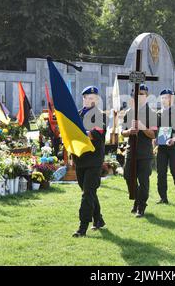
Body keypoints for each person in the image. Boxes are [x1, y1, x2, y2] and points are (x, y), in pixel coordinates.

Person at [72, 86, 106, 237]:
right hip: (80, 159)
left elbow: (95, 134)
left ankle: (82, 227)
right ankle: (98, 219)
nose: (92, 101)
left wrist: (81, 133)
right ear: (83, 98)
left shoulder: (99, 115)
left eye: (94, 98)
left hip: (94, 160)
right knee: (88, 192)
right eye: (89, 98)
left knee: (87, 193)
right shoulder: (76, 115)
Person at [122, 84, 158, 218]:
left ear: (147, 96)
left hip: (144, 153)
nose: (139, 96)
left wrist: (142, 127)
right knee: (127, 177)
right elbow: (122, 132)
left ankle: (141, 206)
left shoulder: (152, 114)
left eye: (142, 94)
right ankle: (137, 200)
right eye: (136, 94)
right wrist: (129, 131)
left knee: (143, 181)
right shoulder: (128, 112)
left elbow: (153, 134)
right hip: (131, 151)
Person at [156, 89, 175, 204]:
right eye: (163, 97)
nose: (164, 100)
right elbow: (156, 130)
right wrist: (155, 139)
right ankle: (163, 197)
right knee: (161, 173)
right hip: (162, 148)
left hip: (174, 147)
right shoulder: (158, 113)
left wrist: (174, 139)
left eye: (167, 97)